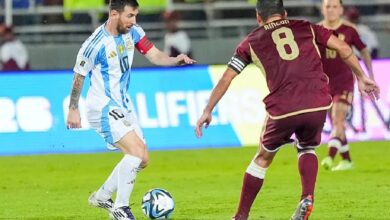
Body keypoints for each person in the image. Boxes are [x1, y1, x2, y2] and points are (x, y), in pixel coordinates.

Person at [195, 0, 379, 220]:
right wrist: (362, 77)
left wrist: (208, 110)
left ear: (258, 18)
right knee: (308, 148)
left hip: (284, 108)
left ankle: (240, 216)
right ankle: (307, 197)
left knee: (263, 158)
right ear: (285, 13)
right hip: (318, 101)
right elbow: (343, 47)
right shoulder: (306, 27)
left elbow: (228, 76)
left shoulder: (250, 42)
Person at [66, 0, 195, 219]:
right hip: (102, 107)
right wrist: (72, 109)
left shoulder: (133, 32)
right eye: (130, 16)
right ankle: (120, 208)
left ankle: (102, 196)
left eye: (135, 16)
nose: (134, 21)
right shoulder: (95, 44)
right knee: (135, 152)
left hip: (123, 104)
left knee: (142, 159)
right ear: (114, 14)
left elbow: (154, 54)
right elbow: (79, 75)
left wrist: (174, 60)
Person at [318, 0, 375, 171]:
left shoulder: (349, 30)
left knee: (338, 120)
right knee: (337, 124)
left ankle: (329, 156)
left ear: (341, 9)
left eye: (335, 6)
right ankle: (347, 161)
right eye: (328, 6)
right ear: (322, 9)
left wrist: (367, 76)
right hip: (324, 84)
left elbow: (364, 51)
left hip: (344, 82)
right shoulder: (316, 31)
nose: (331, 10)